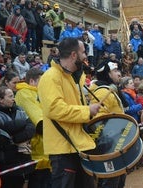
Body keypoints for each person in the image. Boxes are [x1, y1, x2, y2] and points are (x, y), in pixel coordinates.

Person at [37, 37, 101, 188]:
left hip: (78, 145)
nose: (86, 56)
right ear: (74, 55)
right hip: (63, 149)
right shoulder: (50, 77)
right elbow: (55, 109)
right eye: (83, 52)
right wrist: (87, 111)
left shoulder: (73, 78)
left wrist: (89, 112)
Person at [89, 60, 129, 188]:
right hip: (109, 146)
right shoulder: (102, 92)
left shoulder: (109, 90)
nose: (119, 74)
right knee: (110, 182)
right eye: (115, 71)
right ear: (107, 74)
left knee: (118, 181)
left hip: (116, 143)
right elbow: (98, 120)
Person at [15, 68, 51, 188]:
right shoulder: (24, 93)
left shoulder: (38, 93)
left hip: (47, 150)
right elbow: (40, 123)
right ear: (32, 81)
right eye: (43, 81)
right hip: (37, 152)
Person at [0, 86, 36, 188]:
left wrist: (15, 139)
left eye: (13, 96)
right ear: (1, 100)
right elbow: (2, 138)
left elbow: (31, 128)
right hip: (8, 165)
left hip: (26, 160)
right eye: (10, 96)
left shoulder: (20, 110)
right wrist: (21, 126)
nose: (13, 99)